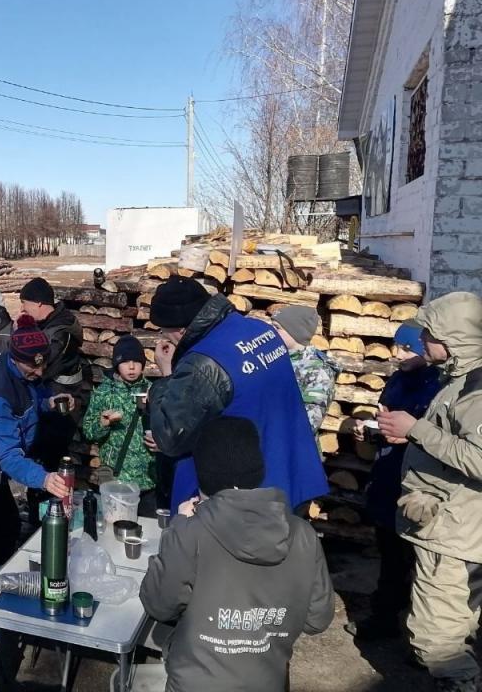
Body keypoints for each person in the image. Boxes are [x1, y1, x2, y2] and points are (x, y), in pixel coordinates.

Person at [140, 416, 335, 692]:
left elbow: (158, 604)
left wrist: (177, 528)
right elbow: (317, 619)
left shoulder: (191, 532)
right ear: (256, 469)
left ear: (203, 473)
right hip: (268, 681)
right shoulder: (303, 534)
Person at [146, 275, 327, 512]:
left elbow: (170, 436)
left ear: (180, 330)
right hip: (292, 471)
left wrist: (166, 376)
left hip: (243, 495)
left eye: (164, 331)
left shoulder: (204, 363)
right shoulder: (260, 329)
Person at [378, 292, 482, 692]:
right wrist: (413, 435)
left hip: (456, 532)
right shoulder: (459, 376)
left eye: (430, 334)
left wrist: (417, 430)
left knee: (438, 641)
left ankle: (460, 682)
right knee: (462, 618)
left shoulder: (476, 391)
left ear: (455, 339)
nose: (421, 339)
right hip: (456, 525)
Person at [343, 322, 442, 641]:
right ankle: (385, 617)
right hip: (387, 475)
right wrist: (371, 431)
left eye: (407, 348)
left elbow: (437, 436)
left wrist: (409, 435)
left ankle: (418, 630)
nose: (397, 354)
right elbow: (386, 416)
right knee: (390, 554)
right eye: (396, 346)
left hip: (416, 481)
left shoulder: (439, 386)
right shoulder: (398, 379)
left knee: (415, 561)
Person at [0, 315, 75, 586]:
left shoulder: (19, 367)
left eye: (43, 364)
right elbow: (7, 456)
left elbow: (27, 400)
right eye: (33, 367)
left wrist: (49, 402)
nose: (39, 372)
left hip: (0, 460)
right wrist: (44, 478)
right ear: (15, 359)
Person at [19, 277, 87, 523]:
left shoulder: (59, 333)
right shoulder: (53, 325)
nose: (22, 309)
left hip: (59, 409)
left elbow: (38, 367)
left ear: (38, 303)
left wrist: (21, 337)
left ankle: (45, 521)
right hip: (53, 403)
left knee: (47, 464)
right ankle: (40, 514)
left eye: (25, 304)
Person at [82, 335, 157, 513]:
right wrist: (103, 423)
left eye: (136, 362)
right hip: (116, 481)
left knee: (148, 526)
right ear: (116, 364)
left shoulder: (153, 391)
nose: (131, 367)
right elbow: (88, 432)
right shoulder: (104, 393)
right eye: (125, 362)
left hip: (148, 479)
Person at [272, 305, 340, 435]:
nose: (271, 331)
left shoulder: (318, 372)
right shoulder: (274, 358)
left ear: (295, 332)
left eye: (277, 328)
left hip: (288, 443)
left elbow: (308, 424)